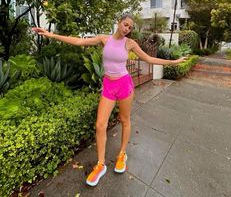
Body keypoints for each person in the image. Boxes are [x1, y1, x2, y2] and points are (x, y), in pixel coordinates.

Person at [32, 14, 187, 187]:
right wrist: (51, 35)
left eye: (130, 27)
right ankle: (100, 165)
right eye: (125, 24)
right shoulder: (103, 39)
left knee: (124, 120)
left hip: (124, 85)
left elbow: (149, 59)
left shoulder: (130, 44)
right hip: (108, 86)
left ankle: (122, 154)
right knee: (100, 125)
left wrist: (174, 62)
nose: (127, 29)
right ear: (119, 22)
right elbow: (79, 42)